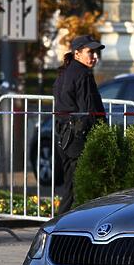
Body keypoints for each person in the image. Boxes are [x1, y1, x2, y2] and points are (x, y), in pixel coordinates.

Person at [53, 35, 106, 212]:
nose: (94, 56)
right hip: (79, 138)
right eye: (90, 52)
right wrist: (101, 132)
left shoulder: (65, 73)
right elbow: (89, 111)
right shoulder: (83, 74)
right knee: (80, 189)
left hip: (65, 137)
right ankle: (58, 228)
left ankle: (60, 226)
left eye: (96, 52)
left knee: (71, 188)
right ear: (77, 53)